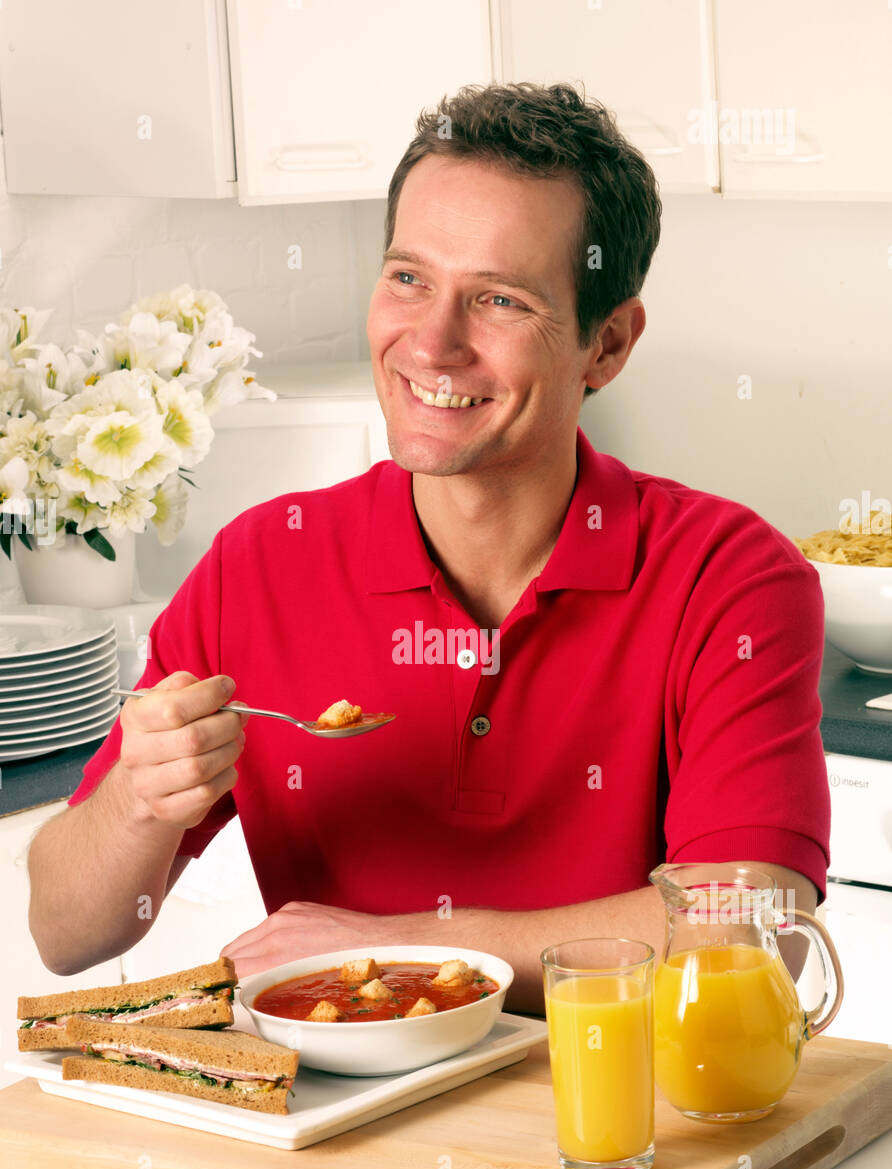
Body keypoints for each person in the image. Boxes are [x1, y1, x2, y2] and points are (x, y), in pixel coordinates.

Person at [28, 84, 828, 1014]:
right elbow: (63, 933)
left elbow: (753, 926)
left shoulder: (730, 577)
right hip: (332, 1133)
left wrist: (397, 948)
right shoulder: (260, 566)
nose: (432, 344)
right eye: (409, 279)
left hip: (631, 1132)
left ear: (605, 345)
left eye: (498, 299)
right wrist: (139, 797)